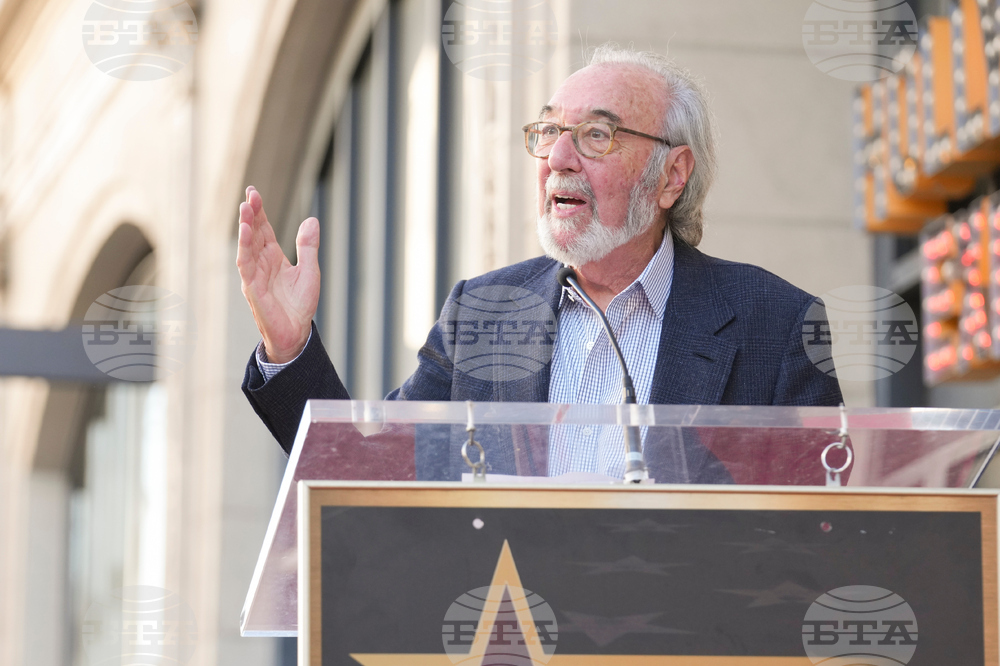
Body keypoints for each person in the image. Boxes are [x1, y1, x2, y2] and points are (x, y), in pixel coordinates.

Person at [237, 45, 843, 477]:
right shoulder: (484, 313)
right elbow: (368, 472)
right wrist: (289, 350)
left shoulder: (775, 323)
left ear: (672, 176)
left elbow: (819, 534)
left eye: (596, 136)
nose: (557, 157)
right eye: (548, 133)